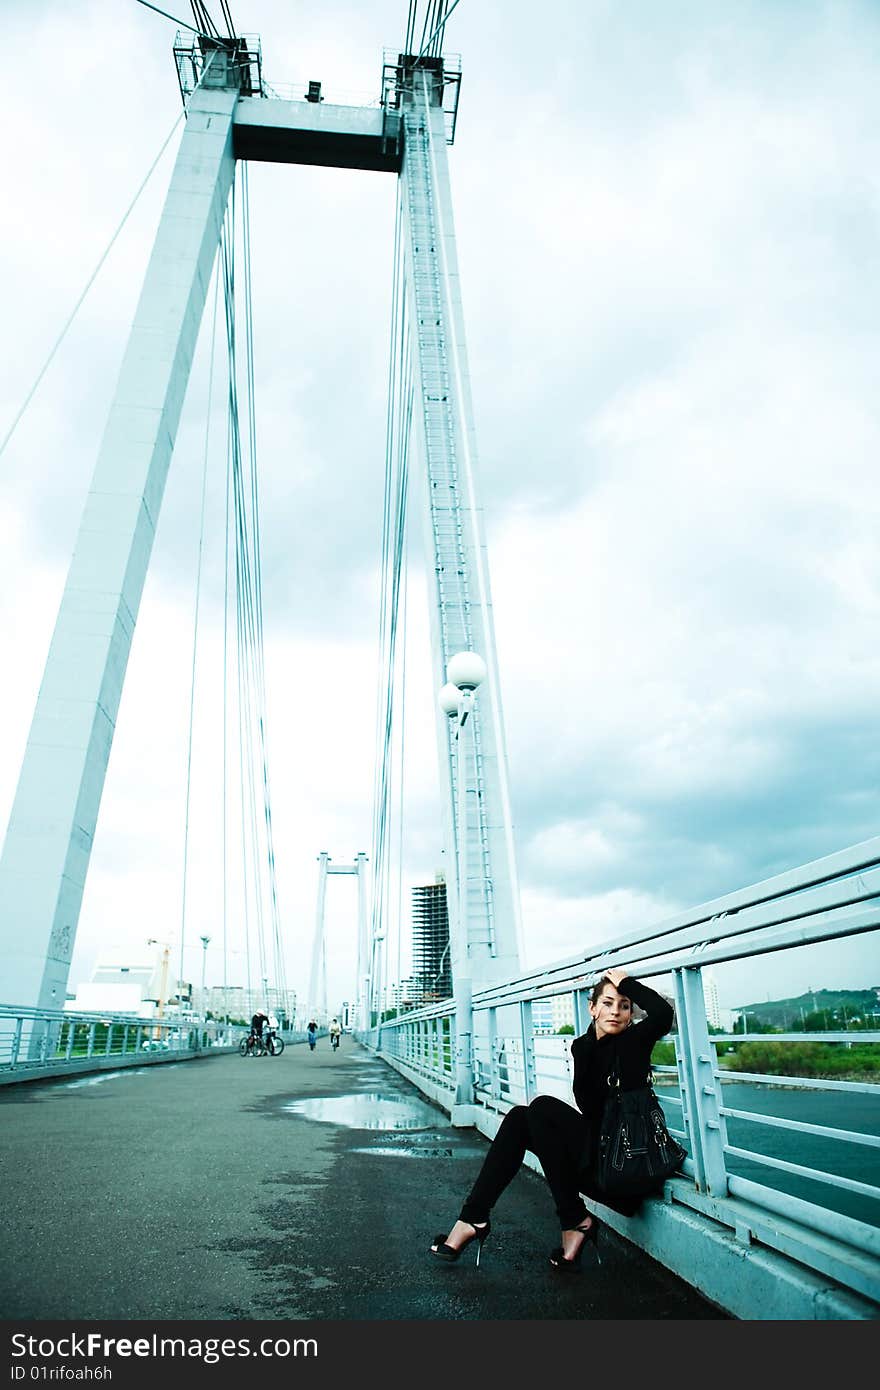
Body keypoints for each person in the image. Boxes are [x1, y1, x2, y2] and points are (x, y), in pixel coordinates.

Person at [430, 967, 674, 1270]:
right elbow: (591, 1111)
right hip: (599, 1163)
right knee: (522, 1117)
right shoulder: (582, 1047)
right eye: (608, 1003)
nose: (616, 1012)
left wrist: (625, 982)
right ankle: (476, 1216)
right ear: (592, 1008)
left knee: (541, 1107)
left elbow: (663, 1014)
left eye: (624, 1006)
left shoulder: (635, 1042)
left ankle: (569, 1220)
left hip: (626, 1173)